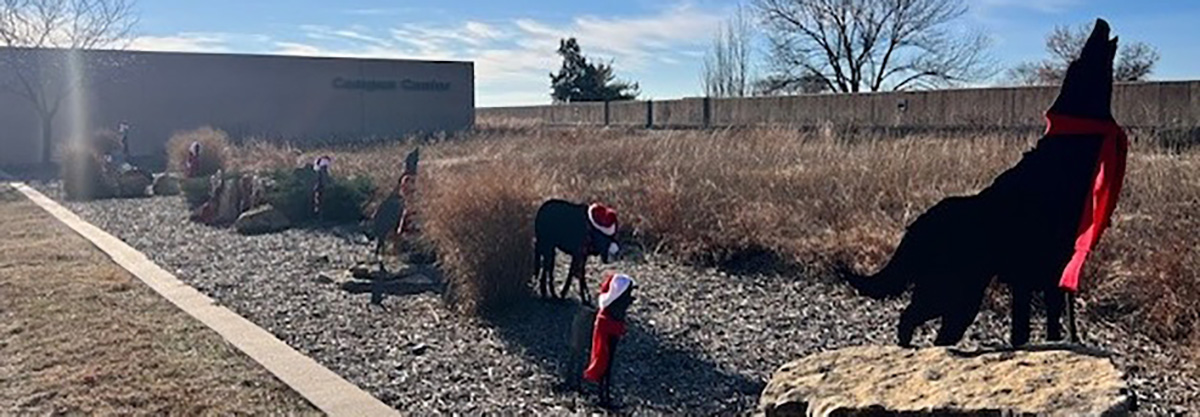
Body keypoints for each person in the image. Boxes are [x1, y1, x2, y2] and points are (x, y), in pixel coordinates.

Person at [583, 271, 635, 407]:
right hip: (610, 328)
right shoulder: (609, 317)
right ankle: (602, 396)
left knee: (607, 363)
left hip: (612, 326)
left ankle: (603, 394)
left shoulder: (610, 308)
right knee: (606, 362)